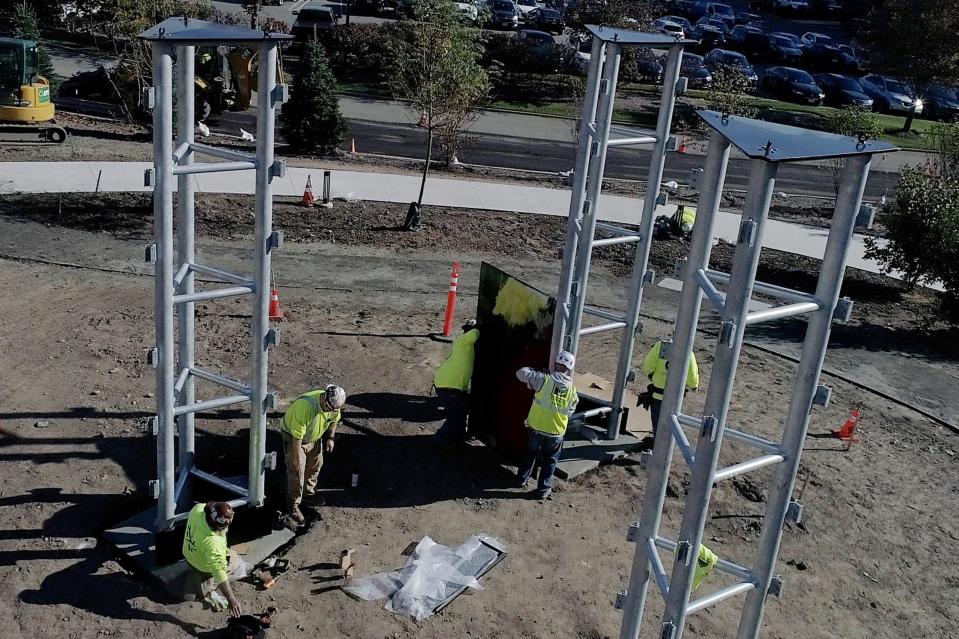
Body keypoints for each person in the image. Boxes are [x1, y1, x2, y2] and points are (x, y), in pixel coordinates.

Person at [515, 350, 579, 500]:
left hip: (536, 427)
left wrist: (538, 371)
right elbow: (571, 409)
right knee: (550, 461)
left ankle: (521, 480)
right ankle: (543, 490)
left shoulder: (543, 379)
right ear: (569, 369)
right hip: (556, 432)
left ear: (555, 364)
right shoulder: (572, 391)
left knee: (529, 454)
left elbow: (520, 373)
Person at [280, 384, 347, 523]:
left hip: (314, 438)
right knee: (297, 472)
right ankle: (292, 505)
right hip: (295, 438)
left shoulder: (333, 406)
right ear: (324, 398)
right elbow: (297, 435)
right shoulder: (306, 407)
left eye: (335, 409)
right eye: (330, 408)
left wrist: (330, 438)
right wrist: (297, 457)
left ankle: (308, 495)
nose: (331, 411)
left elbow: (335, 419)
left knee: (315, 466)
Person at [181, 501, 242, 617]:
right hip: (203, 567)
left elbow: (208, 506)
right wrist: (231, 599)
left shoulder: (197, 509)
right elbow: (219, 572)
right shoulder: (213, 543)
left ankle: (198, 580)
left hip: (188, 554)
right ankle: (206, 587)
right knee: (235, 561)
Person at [432, 319, 480, 450]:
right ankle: (439, 440)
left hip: (451, 385)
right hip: (448, 386)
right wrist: (484, 324)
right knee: (455, 417)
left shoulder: (466, 346)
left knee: (461, 413)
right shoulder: (464, 340)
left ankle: (458, 436)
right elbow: (475, 333)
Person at [640, 339, 699, 436]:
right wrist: (694, 385)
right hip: (675, 399)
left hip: (657, 396)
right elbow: (692, 378)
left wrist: (653, 375)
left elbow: (647, 366)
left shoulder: (660, 346)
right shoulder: (688, 352)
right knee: (672, 426)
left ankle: (656, 446)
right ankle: (667, 447)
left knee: (657, 426)